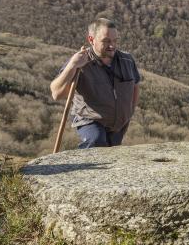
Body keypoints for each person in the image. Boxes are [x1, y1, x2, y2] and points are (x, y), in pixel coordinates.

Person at [50, 17, 141, 148]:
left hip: (119, 124)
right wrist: (72, 66)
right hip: (90, 119)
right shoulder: (81, 61)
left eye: (115, 41)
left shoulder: (127, 60)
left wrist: (129, 112)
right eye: (106, 41)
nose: (112, 46)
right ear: (91, 40)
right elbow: (56, 93)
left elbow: (135, 86)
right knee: (96, 142)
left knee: (112, 158)